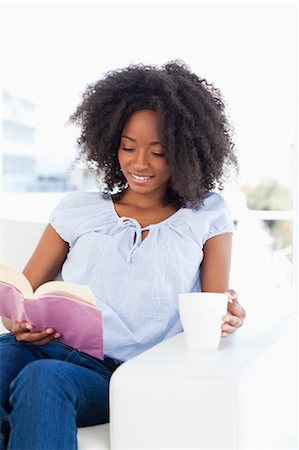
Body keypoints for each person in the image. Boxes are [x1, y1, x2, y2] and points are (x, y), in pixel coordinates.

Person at [0, 60, 246, 449]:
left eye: (158, 151)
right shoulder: (78, 209)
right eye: (128, 147)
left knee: (44, 380)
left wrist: (228, 318)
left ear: (186, 152)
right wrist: (18, 325)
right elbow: (22, 297)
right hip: (43, 347)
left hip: (117, 374)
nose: (139, 163)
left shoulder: (207, 215)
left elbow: (213, 309)